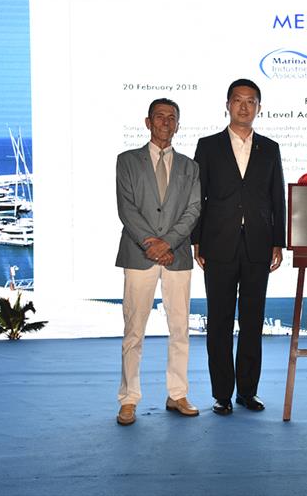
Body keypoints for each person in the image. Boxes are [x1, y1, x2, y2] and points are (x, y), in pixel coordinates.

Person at [192, 79, 286, 415]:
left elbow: (278, 197)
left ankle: (248, 390)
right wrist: (197, 239)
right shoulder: (208, 146)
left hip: (259, 246)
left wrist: (278, 242)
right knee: (218, 321)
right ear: (227, 104)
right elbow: (197, 197)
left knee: (252, 320)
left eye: (251, 101)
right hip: (217, 244)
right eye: (238, 100)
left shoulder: (270, 148)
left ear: (259, 107)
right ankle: (221, 394)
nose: (244, 107)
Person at [114, 98, 201, 425]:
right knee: (134, 330)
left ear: (178, 125)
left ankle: (177, 393)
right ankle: (128, 399)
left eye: (172, 118)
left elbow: (193, 210)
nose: (166, 122)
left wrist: (169, 243)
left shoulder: (190, 167)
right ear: (148, 122)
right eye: (160, 117)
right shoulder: (127, 161)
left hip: (177, 256)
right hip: (139, 255)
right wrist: (151, 243)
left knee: (180, 328)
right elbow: (126, 208)